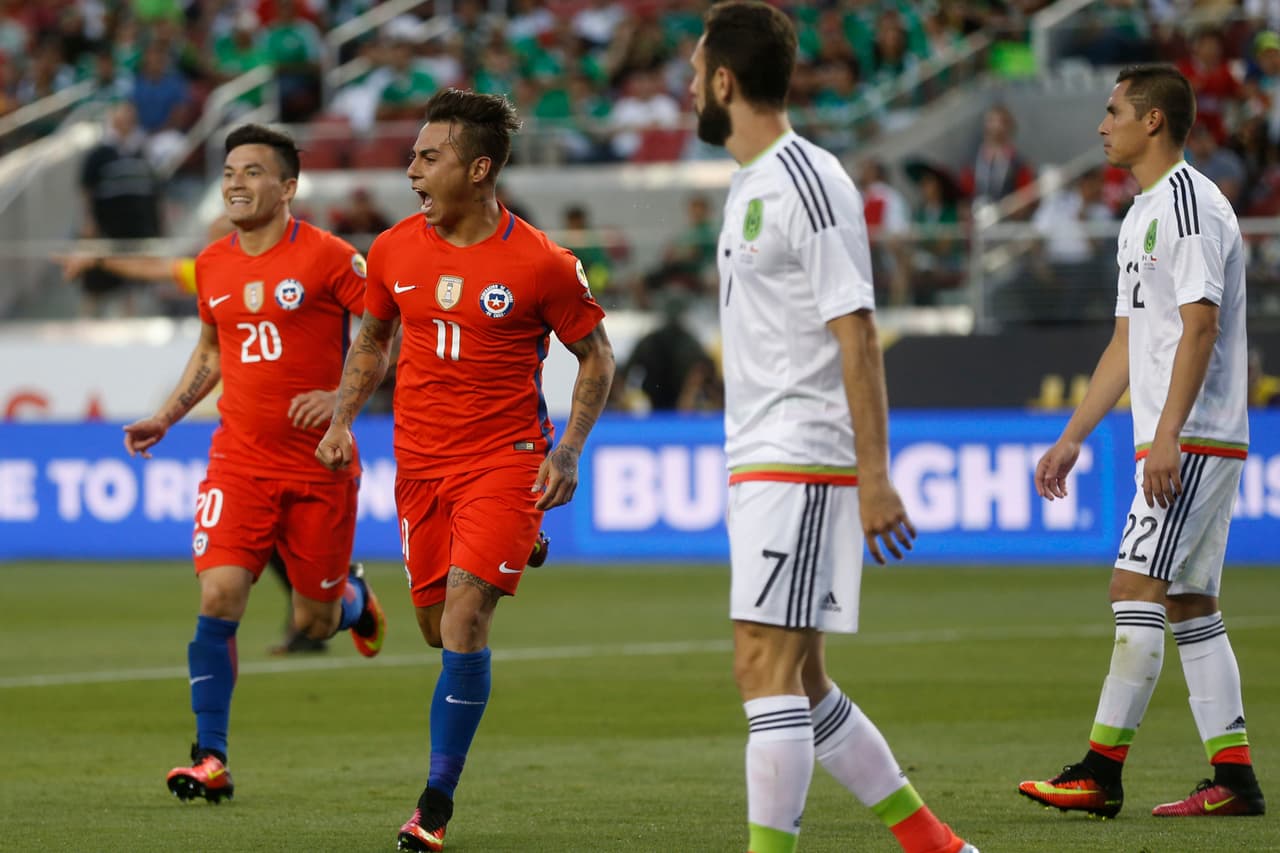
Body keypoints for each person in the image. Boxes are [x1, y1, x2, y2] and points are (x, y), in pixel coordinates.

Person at [688, 5, 977, 853]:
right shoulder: (754, 182)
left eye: (697, 72)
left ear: (725, 82)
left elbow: (857, 333)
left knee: (760, 667)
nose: (689, 90)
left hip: (804, 455)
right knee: (802, 682)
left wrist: (874, 472)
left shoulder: (808, 181)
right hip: (762, 456)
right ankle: (936, 845)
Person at [314, 88, 614, 852]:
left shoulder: (543, 262)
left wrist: (568, 448)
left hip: (505, 458)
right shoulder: (391, 250)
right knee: (432, 630)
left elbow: (597, 357)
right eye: (413, 155)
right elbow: (373, 339)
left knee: (465, 618)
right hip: (420, 464)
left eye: (427, 156)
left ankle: (433, 806)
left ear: (478, 169)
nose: (409, 168)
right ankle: (517, 540)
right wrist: (344, 417)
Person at [1020, 65, 1265, 820]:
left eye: (1113, 110)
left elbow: (1200, 328)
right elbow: (1129, 343)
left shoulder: (1191, 206)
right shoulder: (1140, 214)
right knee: (1191, 603)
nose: (1102, 125)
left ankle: (1100, 770)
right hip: (1181, 438)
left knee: (1135, 590)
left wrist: (1167, 438)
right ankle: (1236, 780)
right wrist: (1071, 438)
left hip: (1188, 439)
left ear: (1153, 120)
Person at [122, 124, 388, 803]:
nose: (236, 182)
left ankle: (354, 601)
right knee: (218, 595)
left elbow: (388, 330)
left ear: (288, 187)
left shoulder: (329, 258)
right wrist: (167, 413)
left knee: (314, 620)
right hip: (239, 461)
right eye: (229, 171)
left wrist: (341, 400)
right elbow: (213, 350)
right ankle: (211, 756)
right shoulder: (213, 263)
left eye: (253, 171)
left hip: (320, 466)